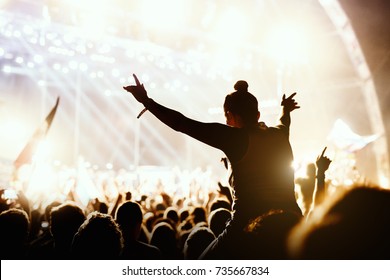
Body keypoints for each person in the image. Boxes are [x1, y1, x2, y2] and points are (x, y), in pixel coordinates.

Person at [123, 74, 301, 258]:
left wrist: (146, 100)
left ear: (230, 116)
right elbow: (284, 122)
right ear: (257, 115)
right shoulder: (280, 134)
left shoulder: (234, 138)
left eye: (227, 118)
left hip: (247, 228)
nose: (226, 123)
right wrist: (285, 109)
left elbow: (181, 123)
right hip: (292, 221)